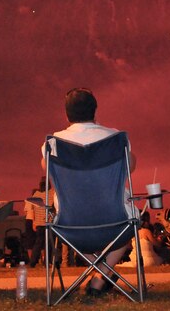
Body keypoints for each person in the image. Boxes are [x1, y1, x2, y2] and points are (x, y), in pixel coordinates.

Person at [41, 87, 137, 296]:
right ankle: (102, 275)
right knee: (130, 226)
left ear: (66, 114)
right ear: (95, 110)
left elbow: (47, 170)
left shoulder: (54, 143)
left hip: (71, 223)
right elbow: (131, 166)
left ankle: (99, 274)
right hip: (116, 220)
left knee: (74, 231)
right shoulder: (115, 138)